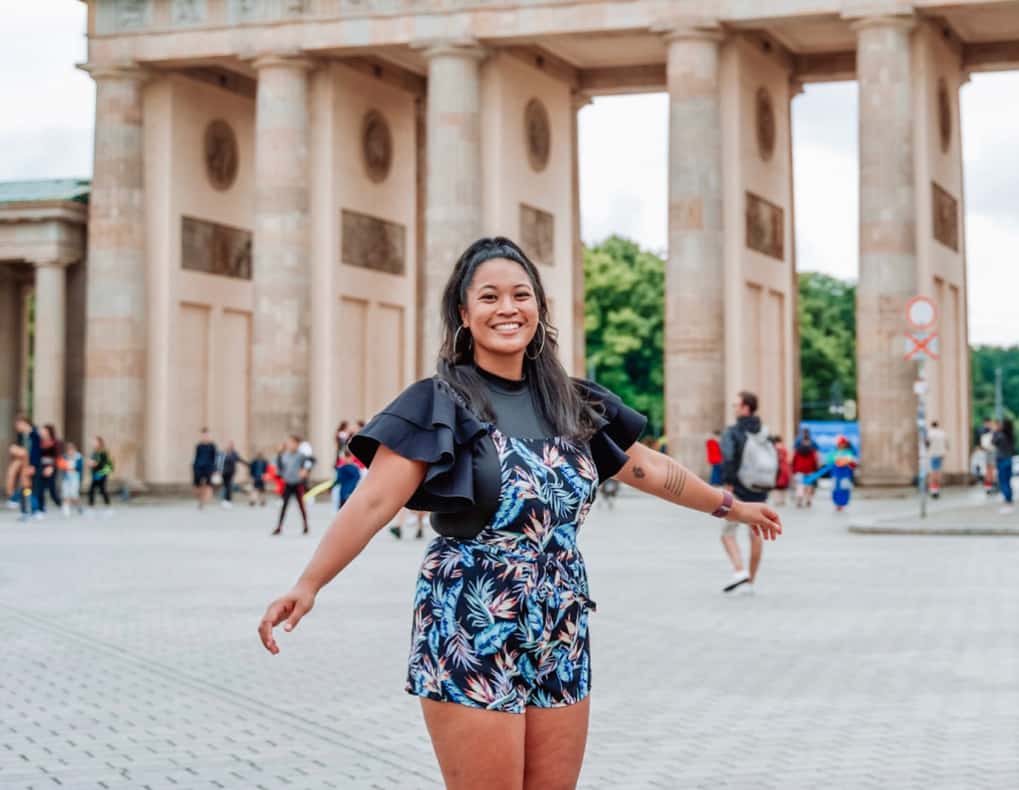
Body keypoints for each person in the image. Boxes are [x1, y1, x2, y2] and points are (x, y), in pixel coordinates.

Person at [257, 236, 781, 789]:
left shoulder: (568, 400)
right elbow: (372, 502)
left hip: (560, 620)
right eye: (489, 297)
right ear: (464, 312)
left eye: (520, 294)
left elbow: (647, 469)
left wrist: (731, 505)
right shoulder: (440, 402)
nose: (507, 308)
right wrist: (309, 583)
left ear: (539, 308)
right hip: (470, 618)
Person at [719, 390, 777, 595]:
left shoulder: (734, 432)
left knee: (727, 534)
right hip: (759, 490)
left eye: (737, 404)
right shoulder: (763, 431)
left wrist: (728, 483)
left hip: (738, 489)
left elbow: (728, 458)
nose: (734, 408)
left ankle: (739, 570)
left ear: (745, 407)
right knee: (756, 534)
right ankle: (751, 582)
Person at [273, 435, 312, 535]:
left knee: (301, 506)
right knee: (284, 506)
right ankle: (279, 527)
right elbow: (279, 467)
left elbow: (312, 461)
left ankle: (306, 526)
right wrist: (279, 453)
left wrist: (306, 470)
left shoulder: (301, 455)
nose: (290, 445)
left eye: (292, 443)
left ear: (297, 444)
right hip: (288, 484)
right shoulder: (284, 455)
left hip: (297, 484)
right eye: (289, 443)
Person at [790, 428, 820, 508]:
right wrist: (816, 469)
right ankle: (808, 499)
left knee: (800, 485)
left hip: (799, 469)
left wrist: (793, 470)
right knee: (809, 485)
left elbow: (794, 460)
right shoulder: (813, 446)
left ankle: (799, 500)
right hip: (810, 470)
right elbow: (815, 460)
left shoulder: (797, 446)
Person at [87, 436, 114, 516]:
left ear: (99, 443)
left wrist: (95, 464)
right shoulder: (94, 452)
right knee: (91, 490)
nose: (93, 443)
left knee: (102, 490)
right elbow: (93, 462)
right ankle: (91, 507)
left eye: (95, 442)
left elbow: (105, 464)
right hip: (95, 474)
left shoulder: (103, 452)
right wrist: (91, 464)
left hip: (102, 474)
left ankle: (108, 507)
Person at [993, 417, 1015, 514]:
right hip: (1009, 460)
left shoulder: (1001, 435)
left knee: (1003, 482)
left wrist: (996, 431)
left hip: (1002, 460)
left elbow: (993, 442)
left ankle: (1007, 503)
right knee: (1008, 482)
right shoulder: (1011, 435)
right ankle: (1010, 501)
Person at [192, 428, 217, 510]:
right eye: (204, 435)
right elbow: (196, 457)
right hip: (198, 467)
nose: (205, 436)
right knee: (197, 487)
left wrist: (215, 469)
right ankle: (200, 500)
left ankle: (203, 502)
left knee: (208, 486)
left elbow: (215, 458)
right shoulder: (199, 446)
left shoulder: (212, 446)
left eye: (207, 435)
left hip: (209, 467)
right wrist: (194, 466)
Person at [58, 441, 84, 518]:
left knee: (74, 494)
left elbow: (79, 468)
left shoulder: (78, 457)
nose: (70, 451)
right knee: (66, 493)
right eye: (68, 450)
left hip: (75, 477)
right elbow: (61, 465)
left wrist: (73, 468)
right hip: (66, 478)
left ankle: (79, 506)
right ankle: (66, 509)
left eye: (71, 449)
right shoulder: (65, 457)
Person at [926, 420, 948, 499]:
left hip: (932, 454)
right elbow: (947, 444)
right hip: (940, 454)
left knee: (933, 473)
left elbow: (927, 443)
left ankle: (933, 490)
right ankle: (937, 490)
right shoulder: (942, 433)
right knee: (938, 472)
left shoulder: (929, 433)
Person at [771, 435, 790, 508]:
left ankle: (776, 500)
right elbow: (787, 458)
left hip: (775, 468)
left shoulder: (773, 448)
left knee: (775, 486)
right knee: (784, 486)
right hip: (784, 468)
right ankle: (782, 500)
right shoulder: (783, 448)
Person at [220, 441, 241, 510]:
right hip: (224, 473)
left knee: (229, 486)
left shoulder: (234, 454)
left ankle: (228, 501)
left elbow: (239, 459)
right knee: (225, 486)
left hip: (231, 473)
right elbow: (219, 462)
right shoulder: (223, 453)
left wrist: (248, 465)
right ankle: (224, 500)